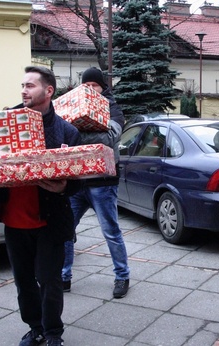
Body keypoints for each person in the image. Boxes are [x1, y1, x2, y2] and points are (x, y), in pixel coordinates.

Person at [0, 66, 82, 346]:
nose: (24, 90)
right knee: (23, 282)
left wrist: (65, 186)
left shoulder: (66, 132)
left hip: (49, 220)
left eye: (30, 85)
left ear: (48, 91)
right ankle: (35, 327)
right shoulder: (4, 123)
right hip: (14, 221)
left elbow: (79, 179)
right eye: (22, 85)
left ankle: (53, 333)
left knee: (50, 283)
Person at [62, 67, 130, 298]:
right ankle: (64, 276)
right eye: (86, 86)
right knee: (65, 231)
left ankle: (122, 276)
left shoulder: (114, 110)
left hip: (104, 183)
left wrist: (76, 131)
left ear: (103, 88)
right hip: (76, 182)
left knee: (111, 232)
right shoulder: (73, 108)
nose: (90, 90)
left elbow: (110, 137)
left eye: (95, 86)